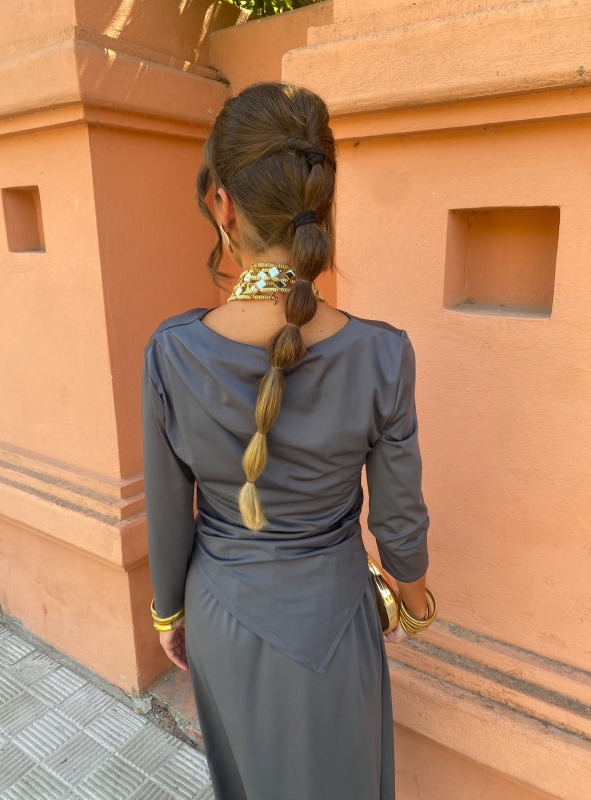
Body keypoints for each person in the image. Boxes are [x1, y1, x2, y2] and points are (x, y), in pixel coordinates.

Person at [142, 82, 434, 800]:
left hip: (221, 617)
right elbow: (398, 522)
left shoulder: (172, 352)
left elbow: (168, 510)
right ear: (322, 208)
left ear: (223, 204)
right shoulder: (382, 353)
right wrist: (413, 602)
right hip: (335, 623)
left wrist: (170, 614)